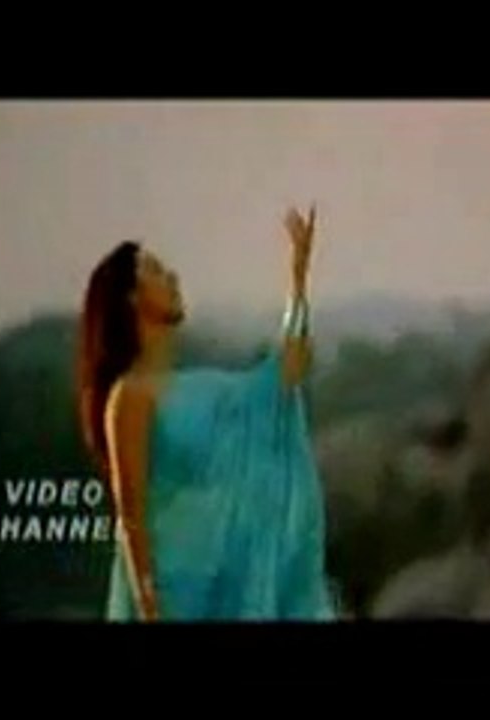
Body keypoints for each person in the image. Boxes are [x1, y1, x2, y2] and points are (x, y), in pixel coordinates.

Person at [76, 205, 334, 621]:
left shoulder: (206, 389)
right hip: (169, 594)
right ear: (131, 298)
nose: (173, 277)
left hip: (222, 583)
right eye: (156, 271)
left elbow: (286, 373)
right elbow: (131, 517)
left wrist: (298, 276)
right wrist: (148, 605)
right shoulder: (129, 396)